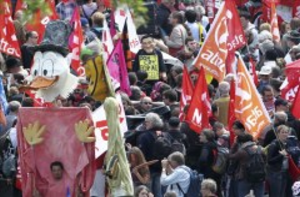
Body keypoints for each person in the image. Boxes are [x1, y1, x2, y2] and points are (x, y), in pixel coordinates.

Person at [267, 125, 293, 197]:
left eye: (286, 132)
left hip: (284, 172)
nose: (285, 134)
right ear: (278, 133)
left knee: (282, 194)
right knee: (276, 194)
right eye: (282, 132)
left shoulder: (286, 143)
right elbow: (269, 160)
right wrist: (281, 155)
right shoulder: (274, 144)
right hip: (275, 173)